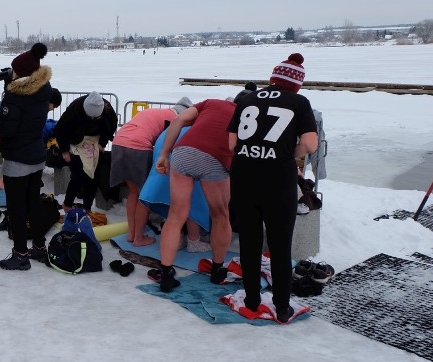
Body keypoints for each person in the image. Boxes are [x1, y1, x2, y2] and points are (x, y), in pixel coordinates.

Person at [228, 53, 318, 323]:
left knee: (250, 242)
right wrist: (290, 152)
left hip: (243, 177)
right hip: (278, 179)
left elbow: (232, 144)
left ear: (273, 78)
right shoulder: (299, 102)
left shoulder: (247, 99)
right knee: (280, 245)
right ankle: (281, 305)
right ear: (297, 84)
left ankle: (252, 299)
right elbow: (311, 144)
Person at [153, 95, 238, 291]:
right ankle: (217, 271)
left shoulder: (211, 103)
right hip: (216, 160)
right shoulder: (247, 114)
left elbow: (178, 119)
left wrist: (164, 154)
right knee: (220, 215)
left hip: (183, 153)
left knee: (175, 216)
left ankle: (166, 275)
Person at [0, 43, 53, 269]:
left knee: (17, 207)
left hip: (18, 159)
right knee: (33, 203)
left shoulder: (15, 97)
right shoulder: (44, 90)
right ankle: (39, 248)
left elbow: (8, 130)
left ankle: (20, 254)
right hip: (36, 156)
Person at [111, 98, 191, 246]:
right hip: (137, 146)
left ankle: (132, 234)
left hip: (118, 142)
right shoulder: (174, 119)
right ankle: (139, 238)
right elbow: (165, 144)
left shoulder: (156, 112)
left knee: (133, 192)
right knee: (144, 196)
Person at [54, 91, 118, 213]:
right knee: (78, 175)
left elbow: (111, 126)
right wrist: (65, 151)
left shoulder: (107, 110)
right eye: (90, 117)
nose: (93, 119)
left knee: (94, 176)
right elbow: (61, 130)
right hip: (76, 141)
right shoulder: (74, 109)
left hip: (95, 141)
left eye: (96, 117)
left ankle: (87, 207)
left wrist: (102, 143)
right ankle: (67, 204)